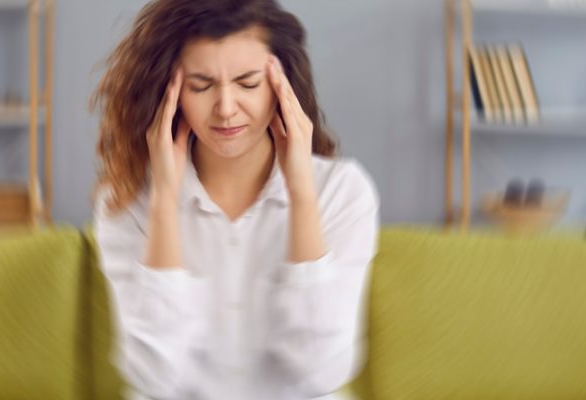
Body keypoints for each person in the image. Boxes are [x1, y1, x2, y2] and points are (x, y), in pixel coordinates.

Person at [91, 0, 379, 398]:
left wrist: (300, 191)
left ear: (282, 88)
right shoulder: (124, 201)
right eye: (201, 85)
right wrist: (164, 200)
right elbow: (155, 374)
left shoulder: (343, 191)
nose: (226, 109)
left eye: (247, 83)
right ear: (169, 94)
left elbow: (320, 372)